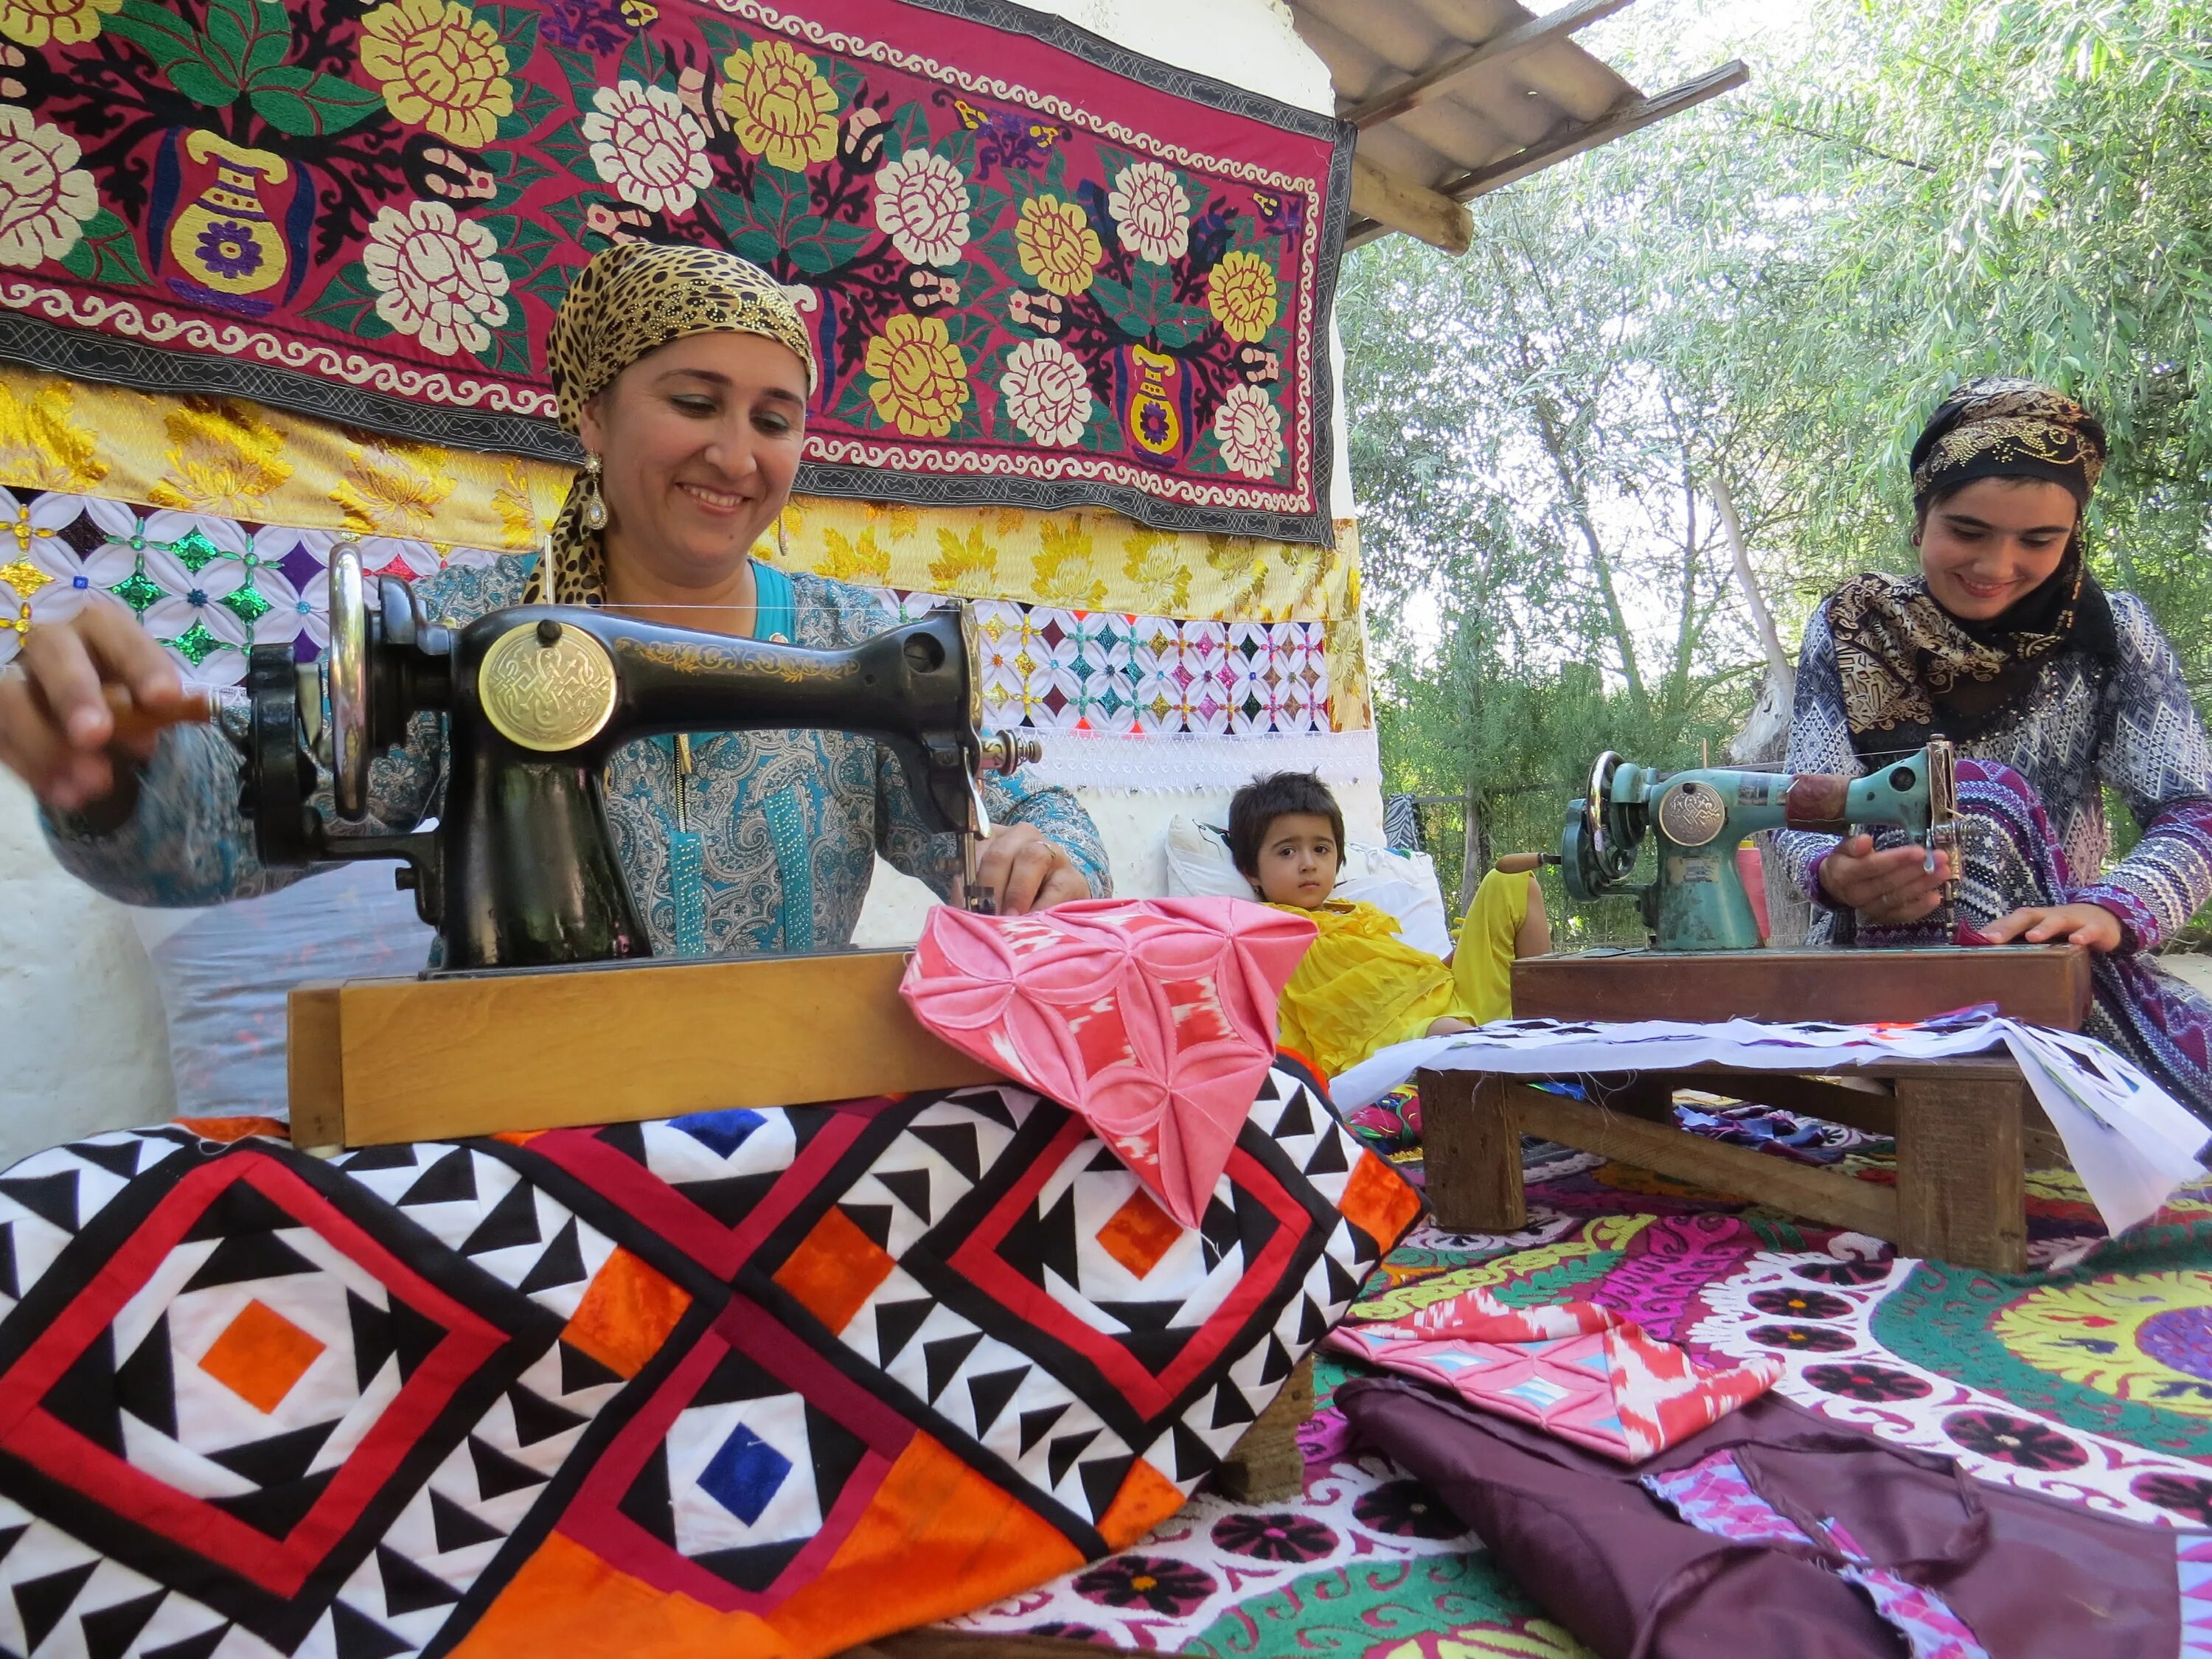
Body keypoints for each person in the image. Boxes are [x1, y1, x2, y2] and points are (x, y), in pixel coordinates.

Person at [0, 244, 1109, 954]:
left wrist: (1050, 862)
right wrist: (121, 781)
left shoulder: (850, 639)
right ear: (592, 416)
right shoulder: (468, 624)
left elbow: (1003, 818)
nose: (736, 453)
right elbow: (232, 829)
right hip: (517, 1134)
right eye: (694, 401)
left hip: (786, 1119)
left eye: (774, 419)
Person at [1776, 378, 2212, 1117]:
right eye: (1968, 532)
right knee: (1974, 798)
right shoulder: (1853, 630)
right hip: (1876, 980)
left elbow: (2195, 814)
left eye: (2038, 540)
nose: (1996, 565)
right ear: (1920, 523)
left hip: (2052, 960)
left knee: (1978, 799)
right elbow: (1801, 810)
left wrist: (2114, 909)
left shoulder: (2114, 638)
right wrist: (1834, 874)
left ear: (2073, 536)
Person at [1228, 771, 1497, 1081]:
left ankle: (1541, 1029)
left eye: (1321, 849)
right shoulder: (1274, 930)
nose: (1308, 864)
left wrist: (1465, 954)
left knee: (1509, 884)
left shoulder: (1358, 914)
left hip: (1449, 1000)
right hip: (1386, 1041)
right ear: (1251, 871)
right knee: (1452, 1035)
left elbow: (1409, 976)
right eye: (1287, 852)